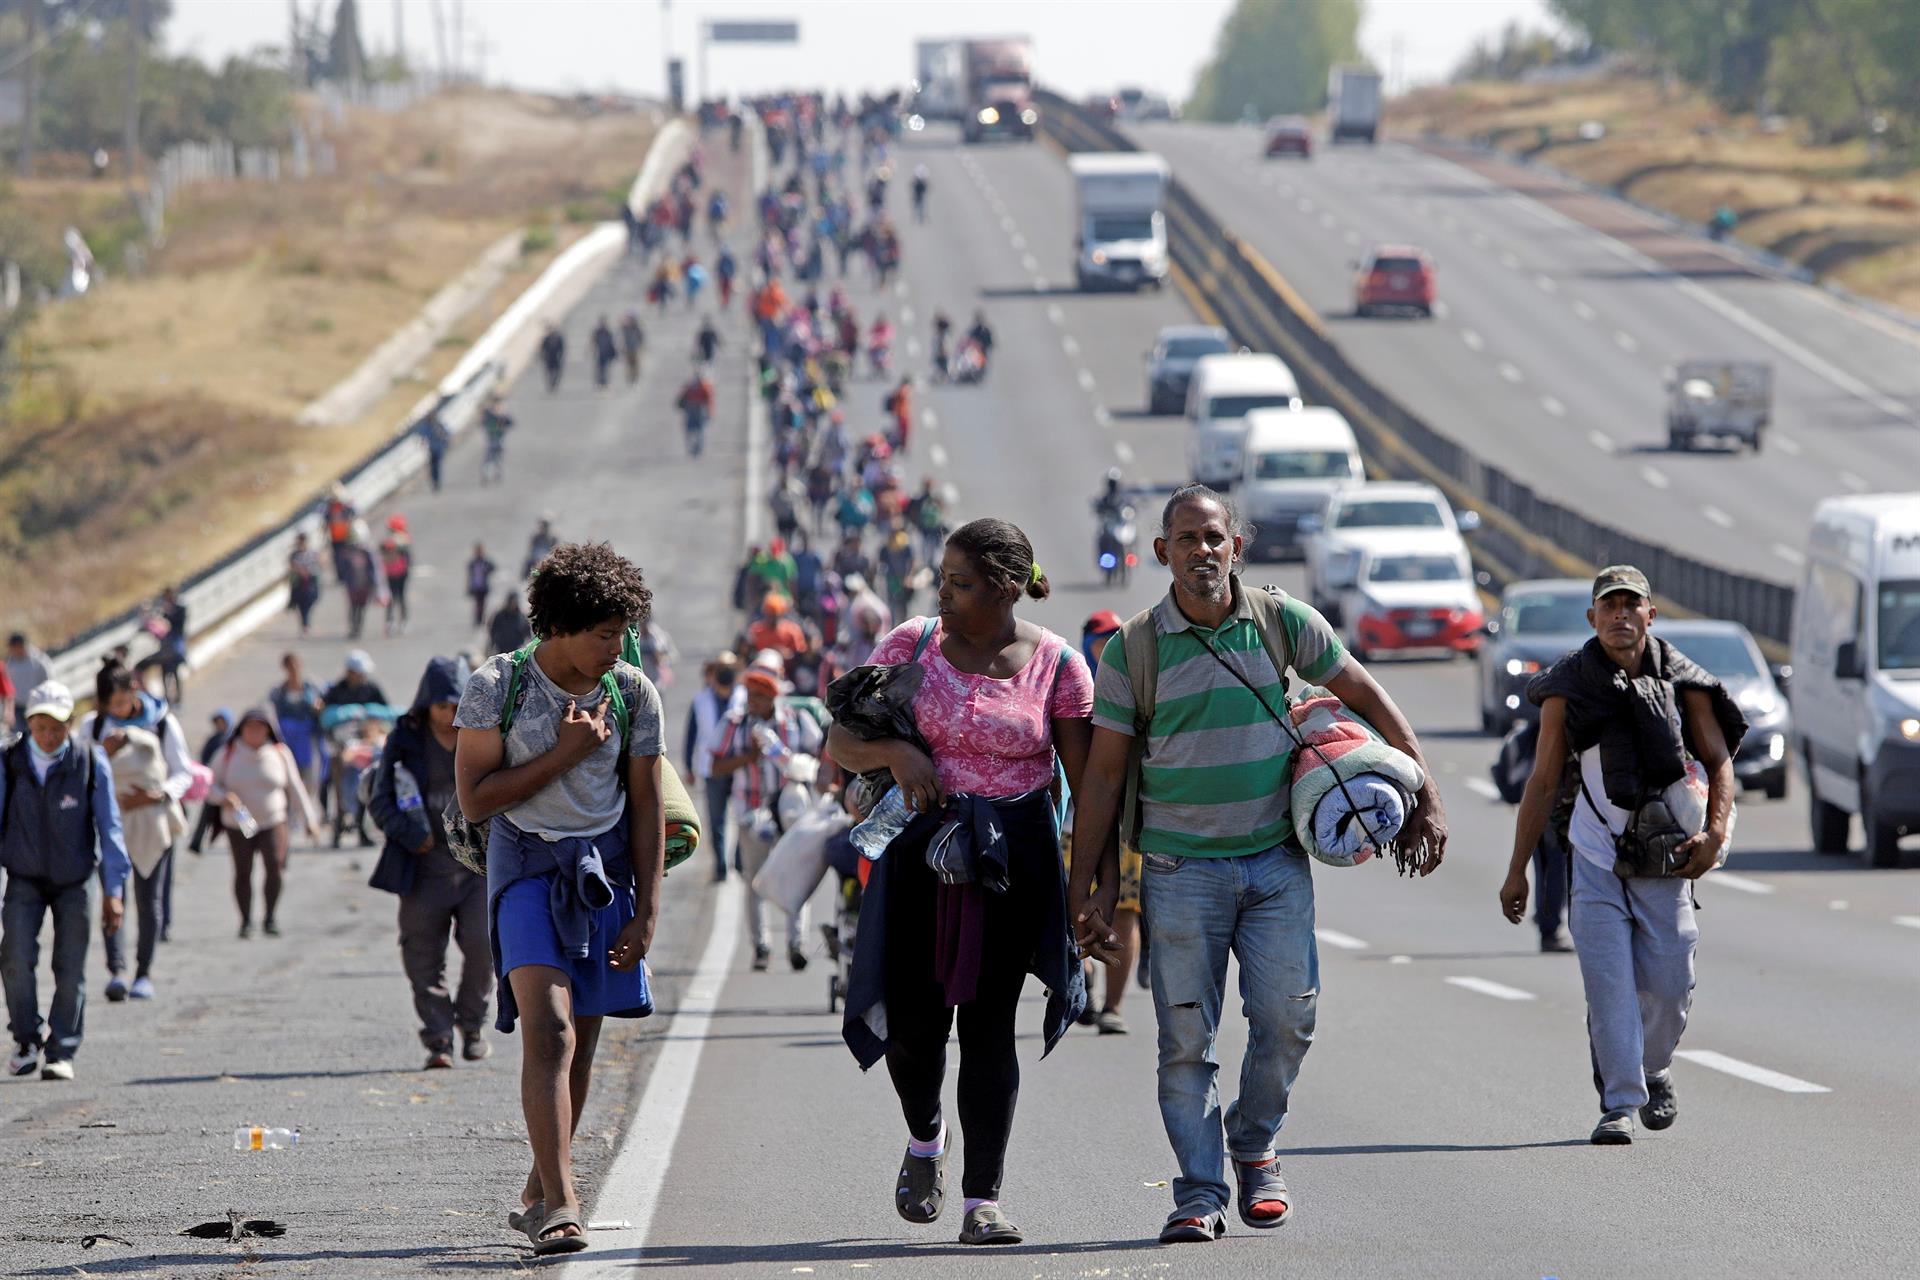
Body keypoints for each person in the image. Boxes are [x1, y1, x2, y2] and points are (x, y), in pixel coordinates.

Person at [1067, 485, 1445, 1244]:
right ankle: (1199, 1193)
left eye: (1214, 537)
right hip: (1178, 872)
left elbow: (1365, 693)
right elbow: (1102, 778)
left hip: (1274, 863)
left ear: (1235, 546)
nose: (1202, 551)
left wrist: (1424, 789)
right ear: (1162, 552)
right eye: (1186, 539)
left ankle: (1253, 1140)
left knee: (1288, 1020)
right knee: (1185, 1042)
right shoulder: (1133, 650)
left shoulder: (1283, 621)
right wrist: (1089, 889)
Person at [829, 519, 1093, 1247]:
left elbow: (1087, 785)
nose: (942, 594)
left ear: (1006, 588)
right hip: (917, 858)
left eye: (961, 583)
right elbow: (842, 740)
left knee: (988, 1029)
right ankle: (925, 1139)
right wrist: (895, 753)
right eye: (942, 579)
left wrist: (1090, 886)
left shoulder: (1060, 667)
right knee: (914, 1032)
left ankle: (983, 1201)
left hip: (1010, 866)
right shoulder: (910, 645)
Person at [452, 542, 666, 1256]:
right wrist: (565, 755)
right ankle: (564, 1205)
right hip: (526, 869)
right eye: (603, 633)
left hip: (603, 875)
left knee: (582, 1044)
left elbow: (646, 806)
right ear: (561, 627)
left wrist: (647, 910)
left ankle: (542, 1185)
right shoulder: (497, 685)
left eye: (622, 632)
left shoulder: (632, 692)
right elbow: (476, 800)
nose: (617, 647)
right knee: (550, 1029)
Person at [1501, 566, 1741, 1146]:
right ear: (1592, 617)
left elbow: (1718, 762)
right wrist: (1517, 871)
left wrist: (1713, 835)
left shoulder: (1684, 681)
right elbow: (1542, 780)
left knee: (1670, 980)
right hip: (1593, 856)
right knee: (1609, 985)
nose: (1620, 615)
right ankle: (1619, 1104)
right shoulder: (1568, 686)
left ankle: (1653, 1069)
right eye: (1609, 606)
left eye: (1631, 604)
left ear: (1650, 615)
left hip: (1666, 856)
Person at [368, 657, 494, 1070]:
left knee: (485, 947)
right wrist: (409, 834)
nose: (449, 715)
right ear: (426, 705)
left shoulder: (484, 733)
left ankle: (472, 1026)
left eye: (457, 705)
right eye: (442, 706)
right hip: (423, 869)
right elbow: (381, 801)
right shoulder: (405, 740)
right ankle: (439, 1038)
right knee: (421, 958)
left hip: (477, 868)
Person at [0, 681, 129, 1081]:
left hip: (75, 880)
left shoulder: (88, 761)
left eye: (57, 726)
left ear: (70, 723)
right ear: (29, 723)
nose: (49, 735)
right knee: (15, 958)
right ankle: (26, 1039)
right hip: (24, 877)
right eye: (41, 726)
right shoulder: (9, 761)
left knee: (70, 967)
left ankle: (61, 1050)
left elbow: (110, 827)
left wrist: (114, 891)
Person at [76, 660, 192, 1001]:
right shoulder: (94, 727)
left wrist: (158, 794)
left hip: (153, 821)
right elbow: (77, 769)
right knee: (114, 896)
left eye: (121, 702)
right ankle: (118, 970)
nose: (116, 710)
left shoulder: (162, 722)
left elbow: (183, 771)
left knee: (148, 897)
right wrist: (102, 753)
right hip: (109, 824)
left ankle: (144, 971)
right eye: (109, 705)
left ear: (134, 691)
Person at [1071, 609, 1138, 1033]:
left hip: (1127, 824)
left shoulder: (1136, 683)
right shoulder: (1073, 686)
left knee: (1126, 911)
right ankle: (1084, 982)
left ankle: (1113, 1007)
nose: (1108, 647)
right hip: (1074, 823)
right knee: (1075, 906)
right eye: (1101, 640)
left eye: (1116, 638)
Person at [210, 707, 321, 938]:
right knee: (243, 871)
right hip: (238, 822)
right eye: (250, 727)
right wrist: (224, 797)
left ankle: (270, 916)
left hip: (272, 820)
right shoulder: (228, 753)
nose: (254, 732)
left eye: (259, 728)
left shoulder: (279, 753)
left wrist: (309, 819)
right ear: (241, 730)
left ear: (268, 731)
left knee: (275, 866)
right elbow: (209, 784)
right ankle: (245, 921)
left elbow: (295, 787)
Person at [685, 654, 739, 882]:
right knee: (716, 820)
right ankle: (721, 866)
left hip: (739, 768)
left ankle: (739, 859)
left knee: (743, 816)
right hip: (712, 770)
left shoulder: (743, 697)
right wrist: (689, 766)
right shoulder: (700, 701)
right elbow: (691, 735)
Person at [270, 652, 328, 815]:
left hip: (308, 740)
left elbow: (327, 702)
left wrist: (320, 707)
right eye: (289, 666)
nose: (293, 669)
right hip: (288, 740)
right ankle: (293, 813)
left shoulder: (314, 687)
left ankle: (307, 811)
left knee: (311, 779)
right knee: (289, 778)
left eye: (295, 665)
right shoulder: (278, 692)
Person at [184, 707, 234, 855]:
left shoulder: (233, 741)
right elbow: (204, 757)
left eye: (222, 722)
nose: (220, 725)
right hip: (213, 784)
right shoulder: (213, 740)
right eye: (217, 722)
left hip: (230, 785)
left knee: (235, 816)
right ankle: (196, 842)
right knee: (206, 815)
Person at [338, 522, 380, 641]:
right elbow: (342, 568)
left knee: (361, 608)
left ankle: (358, 628)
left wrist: (374, 583)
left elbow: (373, 569)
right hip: (352, 585)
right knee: (353, 607)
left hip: (364, 585)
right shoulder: (346, 552)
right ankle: (353, 627)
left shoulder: (366, 552)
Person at [6, 635, 52, 735]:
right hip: (18, 708)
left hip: (38, 705)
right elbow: (7, 690)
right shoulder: (9, 665)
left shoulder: (38, 661)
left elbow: (48, 681)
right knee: (19, 736)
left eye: (18, 647)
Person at [381, 516, 414, 637]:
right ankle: (395, 622)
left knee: (396, 597)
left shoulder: (400, 541)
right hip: (396, 573)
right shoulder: (400, 540)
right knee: (398, 598)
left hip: (396, 573)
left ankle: (395, 622)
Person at [287, 533, 324, 636]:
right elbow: (291, 566)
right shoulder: (294, 554)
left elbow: (320, 564)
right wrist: (299, 571)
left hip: (311, 581)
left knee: (310, 601)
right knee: (300, 604)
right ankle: (305, 624)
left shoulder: (313, 553)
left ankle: (305, 623)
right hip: (299, 582)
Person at [677, 369, 716, 457]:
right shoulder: (696, 386)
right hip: (694, 410)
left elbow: (709, 400)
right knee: (695, 430)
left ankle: (697, 448)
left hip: (697, 410)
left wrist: (710, 412)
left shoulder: (700, 386)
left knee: (698, 430)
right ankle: (694, 448)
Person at [480, 396, 514, 486]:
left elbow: (511, 423)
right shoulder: (489, 414)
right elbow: (484, 422)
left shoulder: (503, 415)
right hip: (492, 439)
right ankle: (487, 475)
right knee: (489, 458)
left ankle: (496, 473)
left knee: (497, 458)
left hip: (499, 439)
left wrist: (502, 416)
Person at [489, 590, 534, 657]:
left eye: (514, 602)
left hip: (515, 649)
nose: (513, 604)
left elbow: (527, 632)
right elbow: (493, 629)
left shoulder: (521, 616)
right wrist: (493, 643)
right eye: (511, 601)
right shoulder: (500, 615)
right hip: (502, 648)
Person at [418, 410, 452, 492]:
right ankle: (435, 482)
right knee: (434, 466)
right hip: (433, 449)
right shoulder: (429, 426)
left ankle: (436, 482)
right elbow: (422, 435)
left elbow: (447, 434)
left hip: (437, 449)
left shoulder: (437, 425)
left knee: (435, 466)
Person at [468, 544, 498, 628]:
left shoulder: (485, 562)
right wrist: (469, 587)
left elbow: (493, 567)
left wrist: (486, 571)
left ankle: (480, 619)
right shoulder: (472, 563)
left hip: (483, 587)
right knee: (477, 604)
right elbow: (470, 576)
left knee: (483, 604)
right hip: (476, 587)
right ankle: (477, 619)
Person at [618, 311, 645, 386]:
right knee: (628, 365)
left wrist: (641, 347)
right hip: (627, 349)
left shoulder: (636, 328)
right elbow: (620, 326)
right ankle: (630, 379)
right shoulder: (625, 328)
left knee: (635, 365)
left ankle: (635, 378)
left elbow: (641, 338)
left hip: (635, 349)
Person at [591, 316, 618, 389]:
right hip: (600, 353)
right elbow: (593, 342)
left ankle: (604, 382)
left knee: (604, 369)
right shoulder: (598, 332)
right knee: (600, 369)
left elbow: (611, 343)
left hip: (606, 353)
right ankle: (600, 382)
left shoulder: (608, 332)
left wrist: (613, 353)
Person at [539, 323, 566, 393]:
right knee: (549, 372)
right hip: (549, 358)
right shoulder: (546, 339)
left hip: (556, 357)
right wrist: (543, 356)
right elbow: (542, 348)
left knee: (556, 371)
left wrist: (560, 355)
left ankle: (553, 383)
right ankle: (551, 383)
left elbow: (562, 348)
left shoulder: (558, 338)